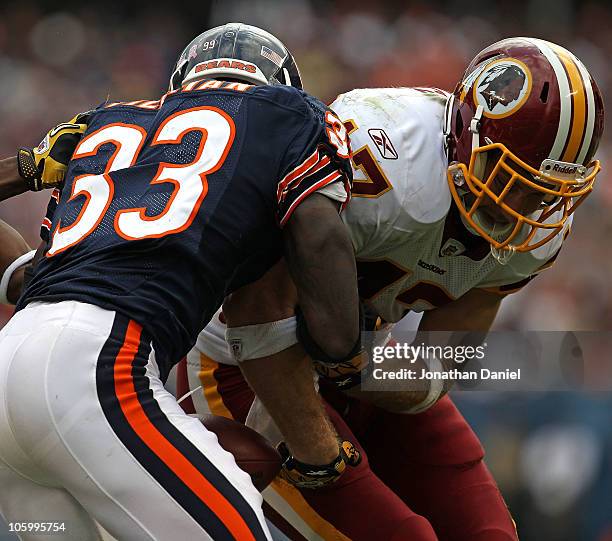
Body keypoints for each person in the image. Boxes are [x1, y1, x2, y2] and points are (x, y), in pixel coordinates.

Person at [177, 37, 605, 540]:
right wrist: (318, 445)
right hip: (245, 362)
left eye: (543, 190)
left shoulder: (537, 227)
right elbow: (256, 312)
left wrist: (370, 370)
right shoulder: (383, 154)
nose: (525, 205)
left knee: (489, 531)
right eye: (513, 178)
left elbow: (443, 359)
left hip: (362, 353)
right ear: (467, 133)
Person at [0, 22, 362, 541]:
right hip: (99, 369)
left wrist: (26, 167)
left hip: (9, 367)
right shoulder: (288, 112)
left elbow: (50, 281)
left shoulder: (103, 122)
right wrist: (342, 349)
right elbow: (321, 237)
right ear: (280, 81)